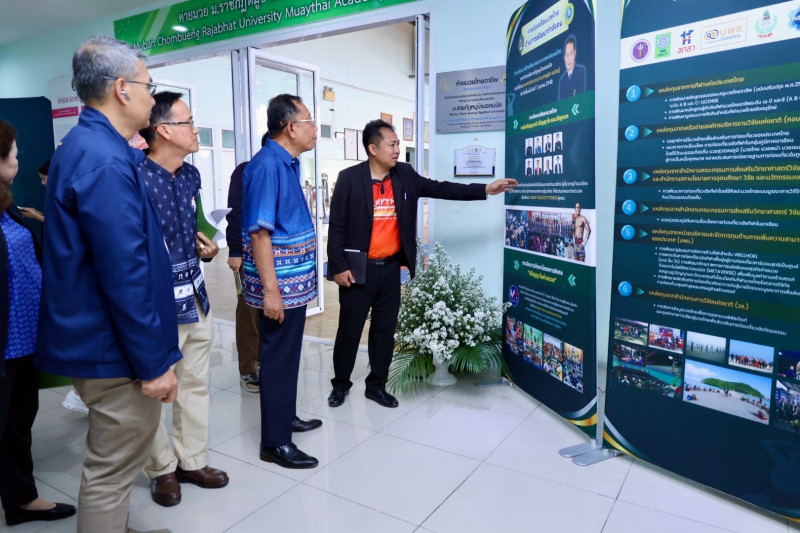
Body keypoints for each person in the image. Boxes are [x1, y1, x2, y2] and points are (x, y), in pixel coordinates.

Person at [36, 36, 180, 533]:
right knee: (112, 471)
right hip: (114, 349)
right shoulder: (103, 159)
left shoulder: (90, 147)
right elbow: (123, 273)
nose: (151, 96)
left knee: (112, 464)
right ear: (122, 88)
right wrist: (153, 363)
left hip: (104, 340)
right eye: (148, 85)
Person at [327, 119, 516, 409]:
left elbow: (442, 188)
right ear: (373, 148)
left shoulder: (404, 174)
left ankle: (376, 386)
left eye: (398, 144)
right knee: (349, 331)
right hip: (357, 270)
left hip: (391, 269)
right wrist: (338, 266)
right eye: (392, 144)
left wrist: (486, 189)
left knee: (384, 332)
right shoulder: (349, 178)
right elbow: (337, 226)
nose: (397, 150)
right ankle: (340, 385)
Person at [137, 91, 228, 507]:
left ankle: (191, 460)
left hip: (196, 296)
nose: (195, 129)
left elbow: (196, 226)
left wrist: (208, 248)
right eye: (188, 122)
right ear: (163, 130)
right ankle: (161, 469)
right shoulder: (135, 177)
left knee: (194, 383)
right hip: (157, 306)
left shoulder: (191, 175)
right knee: (157, 390)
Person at [0, 121, 76, 527]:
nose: (18, 158)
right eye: (13, 152)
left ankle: (21, 500)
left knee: (18, 423)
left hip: (24, 340)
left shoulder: (8, 205)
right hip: (5, 344)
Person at [242, 94, 322, 469]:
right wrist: (271, 293)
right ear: (291, 127)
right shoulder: (267, 166)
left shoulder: (287, 162)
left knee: (287, 355)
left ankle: (284, 417)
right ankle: (274, 442)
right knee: (276, 358)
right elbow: (259, 233)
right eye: (309, 120)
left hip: (293, 283)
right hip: (280, 287)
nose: (315, 128)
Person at [226, 133, 268, 393]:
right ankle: (248, 367)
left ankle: (264, 359)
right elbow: (235, 213)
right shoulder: (244, 171)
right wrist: (235, 251)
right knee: (248, 311)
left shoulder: (284, 172)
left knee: (269, 309)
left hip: (275, 255)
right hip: (247, 253)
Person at [558, 35, 586, 100]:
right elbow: (561, 103)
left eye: (571, 53)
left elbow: (580, 96)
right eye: (567, 55)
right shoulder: (562, 80)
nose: (569, 58)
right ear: (564, 57)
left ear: (575, 53)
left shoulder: (581, 71)